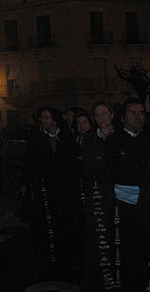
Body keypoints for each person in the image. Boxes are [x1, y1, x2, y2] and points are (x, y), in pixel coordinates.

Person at [25, 106, 81, 274]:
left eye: (47, 117)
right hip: (44, 186)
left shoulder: (65, 136)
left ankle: (66, 253)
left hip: (64, 187)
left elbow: (70, 159)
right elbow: (31, 160)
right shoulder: (36, 137)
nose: (44, 121)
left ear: (54, 119)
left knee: (63, 220)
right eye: (42, 118)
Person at [106, 97, 150, 291]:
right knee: (129, 249)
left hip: (147, 202)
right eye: (133, 113)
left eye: (141, 113)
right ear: (123, 118)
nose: (138, 117)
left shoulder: (148, 138)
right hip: (125, 204)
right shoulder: (114, 141)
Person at [80, 101, 116, 291]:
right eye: (97, 115)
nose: (101, 118)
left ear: (111, 114)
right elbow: (89, 166)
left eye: (104, 113)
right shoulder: (90, 138)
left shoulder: (119, 136)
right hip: (98, 191)